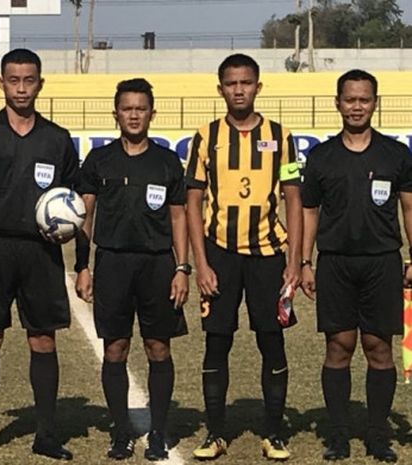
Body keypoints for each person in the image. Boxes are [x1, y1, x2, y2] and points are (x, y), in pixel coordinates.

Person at [0, 48, 78, 462]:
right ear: (1, 83)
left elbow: (71, 198)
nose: (21, 87)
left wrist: (61, 229)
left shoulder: (57, 139)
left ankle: (45, 434)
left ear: (40, 83)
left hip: (41, 251)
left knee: (42, 338)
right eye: (14, 79)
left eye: (29, 80)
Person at [184, 53, 302, 461]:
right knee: (217, 342)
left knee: (272, 341)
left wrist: (295, 259)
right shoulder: (205, 137)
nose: (239, 90)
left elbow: (293, 198)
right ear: (221, 89)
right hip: (220, 255)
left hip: (270, 255)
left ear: (258, 86)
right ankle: (216, 433)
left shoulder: (281, 136)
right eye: (231, 83)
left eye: (246, 83)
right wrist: (201, 264)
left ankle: (274, 433)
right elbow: (194, 202)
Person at [74, 78, 189, 461]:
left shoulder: (167, 162)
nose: (134, 114)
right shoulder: (99, 161)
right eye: (127, 108)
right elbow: (84, 216)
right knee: (115, 349)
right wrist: (82, 266)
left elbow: (179, 219)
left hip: (158, 265)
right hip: (112, 264)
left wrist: (182, 268)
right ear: (116, 113)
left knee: (158, 347)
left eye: (141, 108)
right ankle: (121, 431)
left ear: (152, 113)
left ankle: (157, 431)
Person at [300, 69, 412, 463]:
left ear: (374, 103)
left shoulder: (396, 155)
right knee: (339, 347)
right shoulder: (321, 157)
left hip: (382, 262)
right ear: (338, 103)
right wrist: (304, 261)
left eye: (364, 99)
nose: (357, 106)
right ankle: (339, 435)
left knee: (379, 348)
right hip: (335, 264)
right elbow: (309, 212)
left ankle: (378, 435)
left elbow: (409, 208)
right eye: (350, 99)